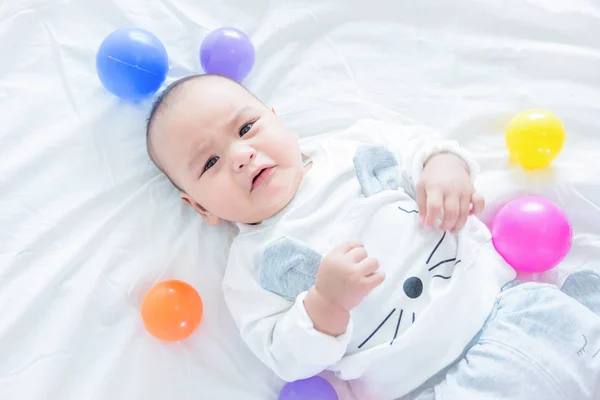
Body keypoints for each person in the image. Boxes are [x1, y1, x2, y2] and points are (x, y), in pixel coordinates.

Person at [145, 73, 600, 400]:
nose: (241, 155)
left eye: (246, 128)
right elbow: (285, 355)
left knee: (575, 336)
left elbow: (426, 147)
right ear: (199, 206)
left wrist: (444, 170)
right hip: (433, 384)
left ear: (276, 118)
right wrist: (325, 302)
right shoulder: (248, 272)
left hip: (510, 306)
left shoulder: (352, 150)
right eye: (209, 164)